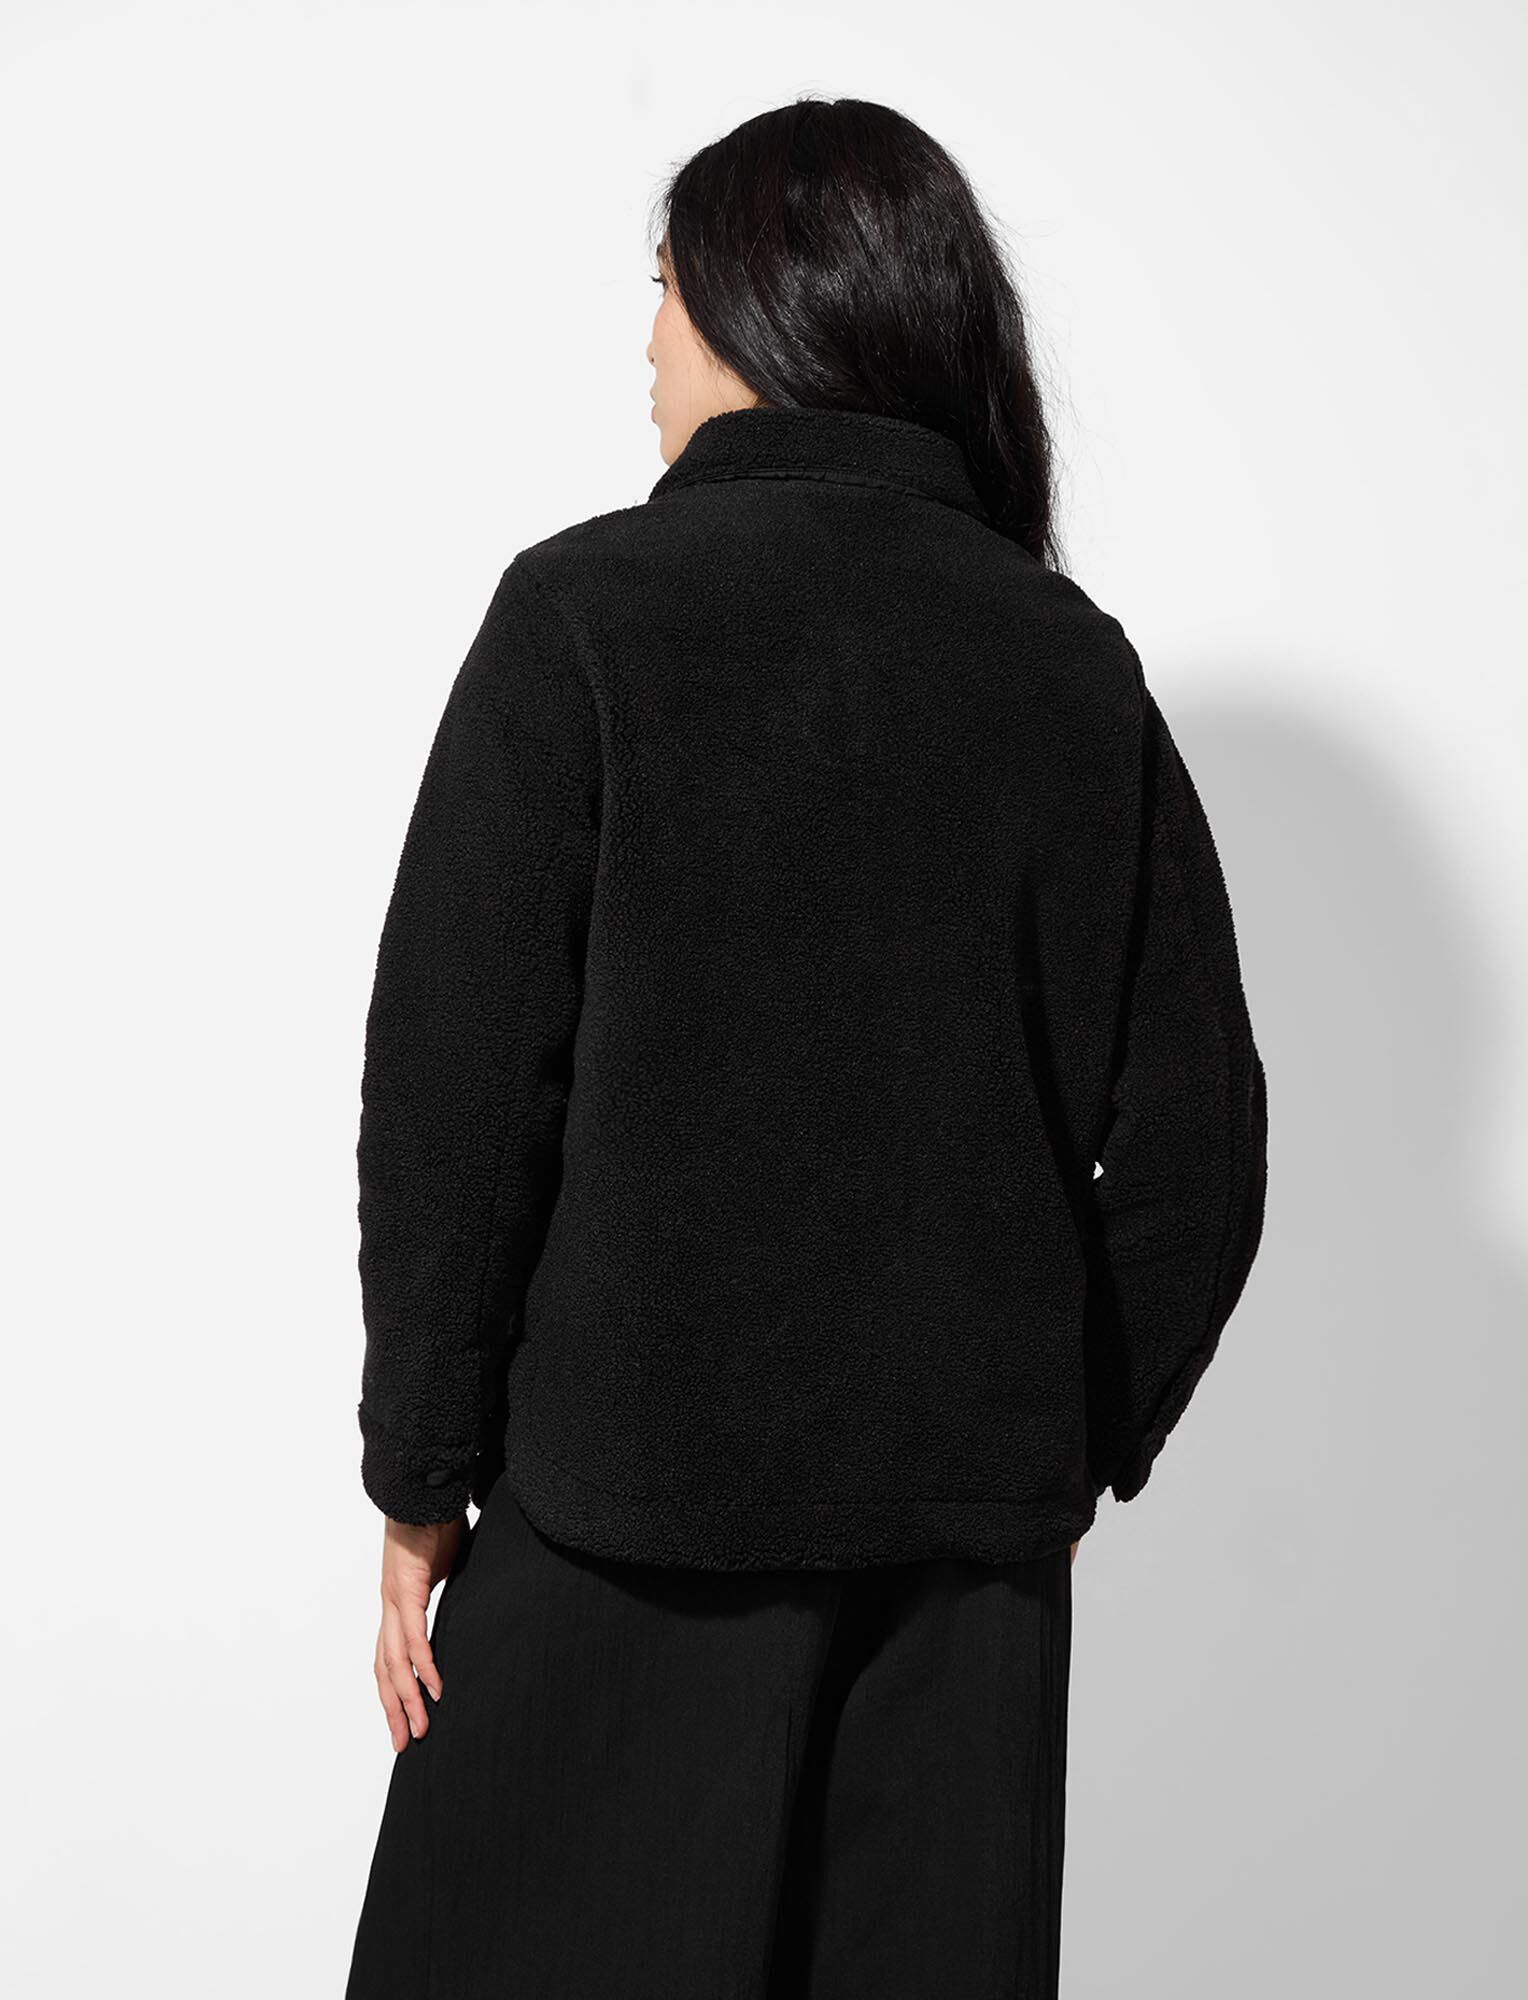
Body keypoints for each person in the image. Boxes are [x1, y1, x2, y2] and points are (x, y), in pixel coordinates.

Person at [344, 94, 1268, 2000]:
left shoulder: (587, 615)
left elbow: (454, 1097)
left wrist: (421, 1481)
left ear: (772, 307)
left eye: (667, 290)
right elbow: (1201, 1147)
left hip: (618, 1545)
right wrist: (1042, 1454)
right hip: (959, 1604)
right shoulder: (1069, 664)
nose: (647, 343)